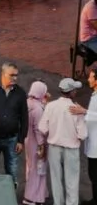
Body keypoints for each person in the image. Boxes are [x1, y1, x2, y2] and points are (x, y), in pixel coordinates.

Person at [39, 77, 86, 205]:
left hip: (54, 147)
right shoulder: (76, 109)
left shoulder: (51, 106)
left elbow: (42, 128)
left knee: (56, 180)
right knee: (72, 181)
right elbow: (83, 135)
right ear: (72, 92)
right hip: (71, 149)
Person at [0, 61, 29, 186]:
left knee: (12, 173)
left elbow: (24, 117)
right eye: (12, 75)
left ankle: (10, 198)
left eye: (16, 75)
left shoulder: (20, 93)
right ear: (3, 74)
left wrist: (21, 139)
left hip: (12, 139)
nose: (15, 78)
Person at [25, 80, 50, 205]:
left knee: (31, 167)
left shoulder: (27, 103)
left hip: (28, 140)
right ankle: (33, 197)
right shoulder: (38, 109)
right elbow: (38, 129)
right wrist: (41, 146)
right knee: (38, 169)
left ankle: (38, 193)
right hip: (37, 143)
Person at [85, 65, 97, 201]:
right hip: (93, 143)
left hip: (95, 146)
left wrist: (84, 112)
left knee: (94, 175)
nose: (88, 79)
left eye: (91, 77)